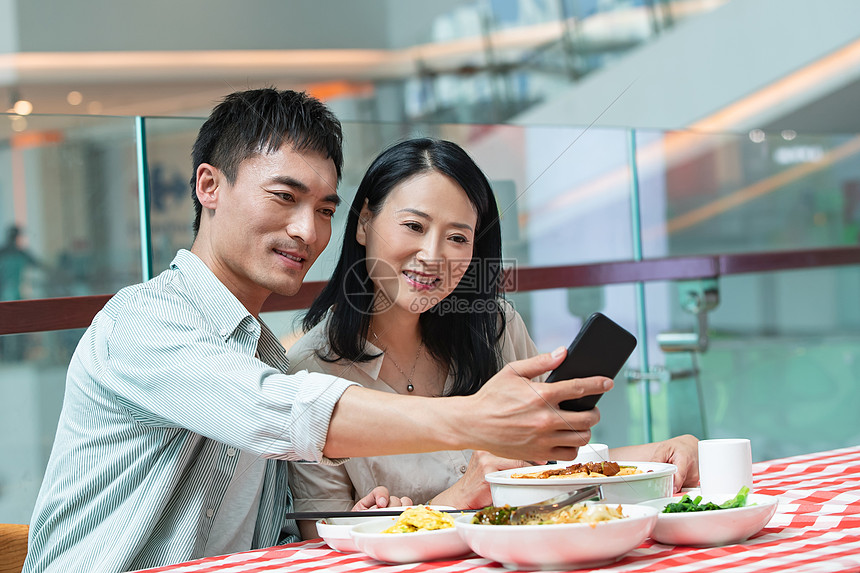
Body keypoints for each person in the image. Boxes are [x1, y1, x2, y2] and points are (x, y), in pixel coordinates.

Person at [24, 89, 614, 573]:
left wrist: (382, 519)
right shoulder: (143, 323)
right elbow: (279, 414)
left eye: (324, 209)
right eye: (285, 197)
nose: (307, 230)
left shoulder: (261, 350)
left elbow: (295, 526)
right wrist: (479, 420)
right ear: (209, 187)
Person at [286, 138, 698, 538]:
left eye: (458, 238)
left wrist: (653, 458)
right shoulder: (311, 371)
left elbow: (543, 464)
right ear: (363, 224)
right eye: (414, 226)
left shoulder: (495, 327)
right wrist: (457, 498)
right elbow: (320, 541)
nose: (433, 256)